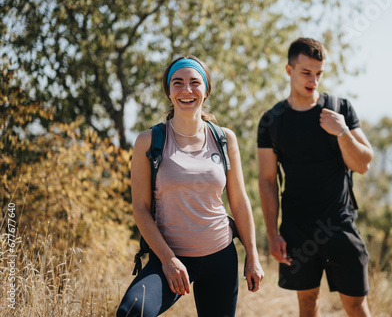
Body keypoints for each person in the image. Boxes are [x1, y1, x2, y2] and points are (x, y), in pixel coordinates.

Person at [117, 56, 264, 317]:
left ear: (206, 90)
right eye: (178, 83)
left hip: (220, 254)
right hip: (170, 255)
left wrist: (252, 255)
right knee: (133, 312)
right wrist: (168, 260)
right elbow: (140, 209)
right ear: (169, 91)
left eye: (195, 82)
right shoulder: (149, 141)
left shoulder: (224, 138)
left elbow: (239, 201)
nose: (186, 90)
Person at [257, 38, 374, 317]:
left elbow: (363, 163)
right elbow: (267, 180)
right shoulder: (272, 120)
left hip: (340, 224)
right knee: (307, 304)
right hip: (297, 229)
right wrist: (273, 234)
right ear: (289, 70)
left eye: (319, 73)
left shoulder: (339, 108)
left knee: (356, 306)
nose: (314, 80)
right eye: (306, 72)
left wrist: (342, 131)